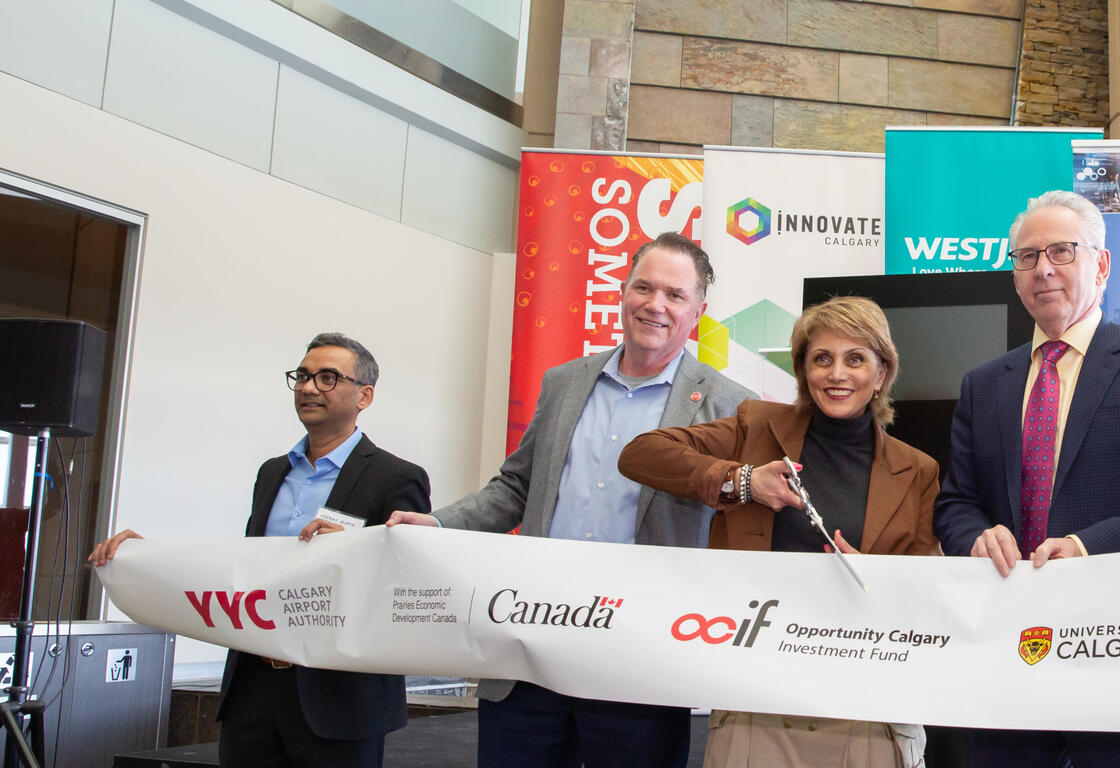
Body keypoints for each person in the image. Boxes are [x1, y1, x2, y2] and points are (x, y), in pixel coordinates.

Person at [386, 233, 753, 768]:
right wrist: (438, 525)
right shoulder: (564, 382)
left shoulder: (729, 404)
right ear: (622, 292)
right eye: (643, 288)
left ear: (697, 311)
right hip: (532, 648)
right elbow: (516, 486)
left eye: (675, 295)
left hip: (638, 658)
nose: (655, 305)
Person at [934, 189, 1120, 768]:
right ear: (1014, 278)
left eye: (1061, 252)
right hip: (1009, 647)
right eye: (1027, 257)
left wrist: (1089, 546)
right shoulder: (984, 383)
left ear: (1102, 264)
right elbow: (956, 502)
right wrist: (975, 535)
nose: (1043, 269)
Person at [620, 295, 938, 767]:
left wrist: (882, 578)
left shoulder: (917, 469)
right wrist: (744, 481)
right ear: (804, 371)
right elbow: (641, 454)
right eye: (822, 359)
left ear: (881, 374)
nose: (837, 374)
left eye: (856, 359)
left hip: (864, 709)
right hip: (759, 704)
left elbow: (929, 593)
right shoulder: (756, 426)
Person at [90, 333, 429, 768]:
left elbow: (408, 579)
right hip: (253, 687)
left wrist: (349, 554)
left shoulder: (396, 477)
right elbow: (244, 567)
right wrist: (146, 558)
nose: (308, 388)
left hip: (339, 698)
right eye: (302, 377)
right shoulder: (272, 473)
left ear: (364, 395)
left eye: (327, 378)